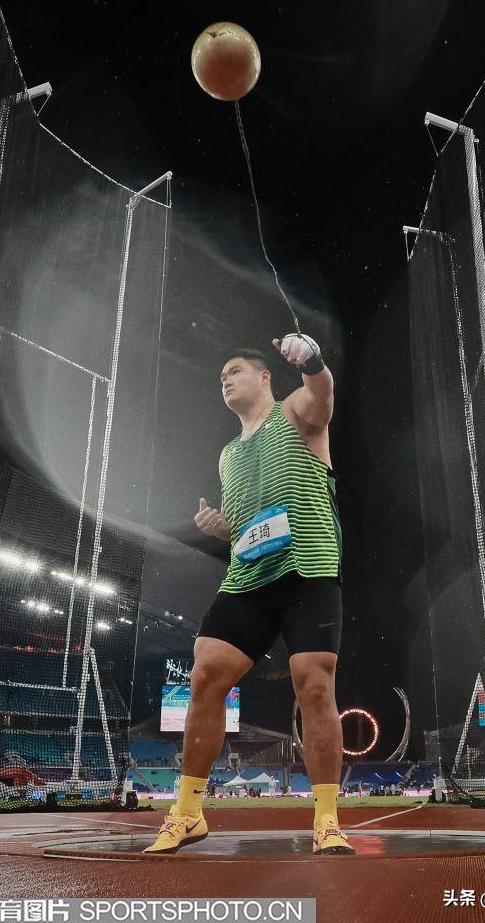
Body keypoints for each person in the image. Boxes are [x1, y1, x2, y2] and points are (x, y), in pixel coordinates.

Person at [145, 334, 353, 855]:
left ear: (264, 377)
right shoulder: (228, 455)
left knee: (314, 685)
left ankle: (327, 819)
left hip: (307, 568)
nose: (225, 381)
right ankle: (188, 813)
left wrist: (313, 362)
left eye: (234, 371)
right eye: (221, 378)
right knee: (205, 675)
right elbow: (246, 526)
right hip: (248, 578)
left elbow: (322, 395)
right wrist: (223, 530)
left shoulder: (295, 411)